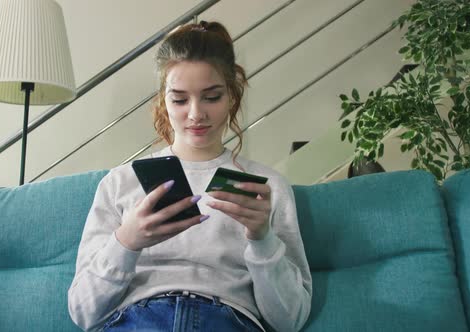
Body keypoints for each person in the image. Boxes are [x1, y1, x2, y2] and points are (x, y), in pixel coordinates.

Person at [68, 21, 312, 332]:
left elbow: (290, 321)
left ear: (232, 97)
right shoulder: (120, 182)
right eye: (180, 99)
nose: (196, 114)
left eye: (211, 97)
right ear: (163, 101)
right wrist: (127, 242)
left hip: (227, 319)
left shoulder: (266, 187)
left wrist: (262, 239)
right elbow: (82, 311)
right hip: (138, 319)